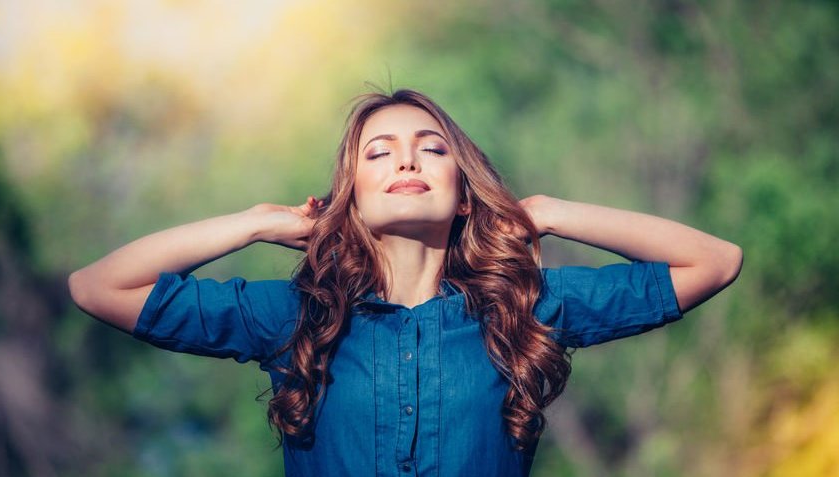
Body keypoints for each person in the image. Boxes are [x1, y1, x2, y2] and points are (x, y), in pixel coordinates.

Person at [68, 89, 743, 476]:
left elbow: (713, 261)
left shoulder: (528, 307)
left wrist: (547, 213)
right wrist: (252, 223)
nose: (407, 160)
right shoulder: (294, 317)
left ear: (463, 195)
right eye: (379, 152)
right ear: (351, 197)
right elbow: (99, 286)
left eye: (432, 147)